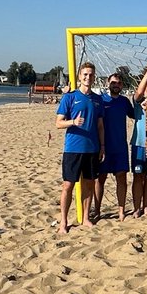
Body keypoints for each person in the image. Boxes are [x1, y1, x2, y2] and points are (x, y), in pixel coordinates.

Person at [55, 62, 105, 232]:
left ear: (94, 77)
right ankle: (63, 222)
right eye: (85, 74)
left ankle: (85, 218)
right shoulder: (69, 97)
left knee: (89, 184)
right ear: (79, 76)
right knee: (68, 185)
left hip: (92, 149)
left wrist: (102, 146)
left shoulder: (97, 100)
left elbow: (100, 126)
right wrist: (73, 122)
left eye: (91, 75)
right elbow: (58, 123)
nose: (88, 77)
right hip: (73, 149)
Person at [92, 72, 135, 222]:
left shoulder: (124, 101)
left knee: (121, 179)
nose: (116, 85)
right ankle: (97, 210)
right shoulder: (100, 100)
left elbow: (136, 115)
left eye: (119, 83)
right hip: (103, 146)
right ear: (107, 84)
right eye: (113, 83)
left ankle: (121, 211)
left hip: (120, 147)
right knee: (100, 179)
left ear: (122, 85)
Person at [130, 62, 147, 218]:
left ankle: (146, 206)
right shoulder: (138, 100)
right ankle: (136, 207)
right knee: (138, 176)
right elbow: (139, 92)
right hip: (139, 144)